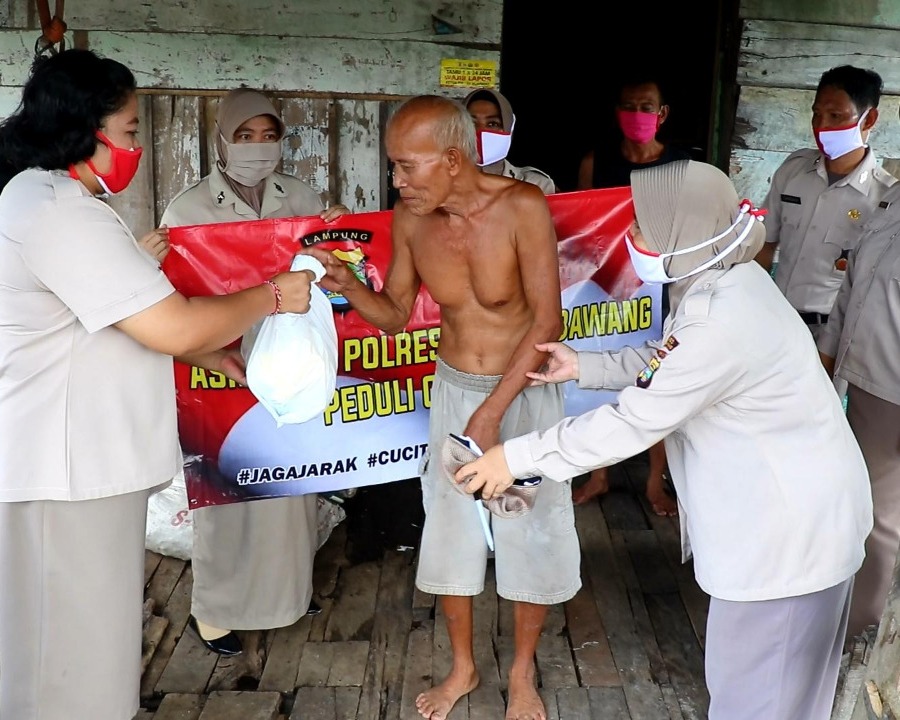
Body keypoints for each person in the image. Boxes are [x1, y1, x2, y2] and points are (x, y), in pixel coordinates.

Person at [456, 160, 873, 720]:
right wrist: (587, 365)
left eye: (643, 227)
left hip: (788, 546)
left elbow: (636, 421)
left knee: (758, 704)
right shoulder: (724, 280)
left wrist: (518, 456)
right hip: (795, 525)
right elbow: (673, 366)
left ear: (686, 230)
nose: (631, 238)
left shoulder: (721, 316)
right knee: (776, 699)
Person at [0, 49, 319, 720]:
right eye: (131, 129)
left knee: (72, 636)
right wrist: (272, 295)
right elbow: (170, 325)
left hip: (74, 462)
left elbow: (110, 319)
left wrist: (207, 357)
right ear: (85, 128)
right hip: (68, 470)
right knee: (74, 648)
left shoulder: (48, 197)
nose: (136, 144)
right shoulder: (61, 211)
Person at [305, 95, 581, 720]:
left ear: (453, 160)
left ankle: (520, 673)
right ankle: (463, 667)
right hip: (454, 388)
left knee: (529, 527)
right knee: (451, 526)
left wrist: (492, 415)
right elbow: (398, 315)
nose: (397, 181)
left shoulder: (522, 207)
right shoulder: (411, 219)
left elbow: (547, 319)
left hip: (527, 390)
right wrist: (349, 287)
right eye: (393, 168)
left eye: (407, 167)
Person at [161, 87, 349, 656]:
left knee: (294, 485)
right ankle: (215, 610)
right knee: (226, 491)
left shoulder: (301, 195)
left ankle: (289, 591)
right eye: (245, 136)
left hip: (288, 360)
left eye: (269, 136)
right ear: (222, 139)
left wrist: (339, 229)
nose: (258, 147)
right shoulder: (188, 210)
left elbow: (329, 269)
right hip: (223, 365)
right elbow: (175, 298)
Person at [574, 72, 690, 516]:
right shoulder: (596, 162)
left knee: (655, 380)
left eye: (646, 107)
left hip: (660, 290)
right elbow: (582, 228)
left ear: (661, 115)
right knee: (599, 375)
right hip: (603, 291)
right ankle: (599, 474)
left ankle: (653, 483)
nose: (637, 115)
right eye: (629, 106)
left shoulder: (680, 168)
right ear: (616, 112)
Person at [818, 164, 900, 643]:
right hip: (854, 376)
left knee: (882, 520)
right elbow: (851, 291)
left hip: (891, 392)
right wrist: (824, 365)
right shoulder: (892, 198)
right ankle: (839, 609)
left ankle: (860, 640)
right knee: (849, 501)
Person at [755, 65, 895, 340]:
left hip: (830, 333)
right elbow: (764, 244)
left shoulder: (884, 198)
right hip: (774, 317)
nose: (822, 127)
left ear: (869, 119)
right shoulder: (794, 171)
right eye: (817, 114)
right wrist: (753, 301)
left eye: (836, 116)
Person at [464, 88, 557, 194]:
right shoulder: (445, 184)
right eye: (471, 123)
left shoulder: (536, 184)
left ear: (510, 129)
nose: (480, 131)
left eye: (492, 124)